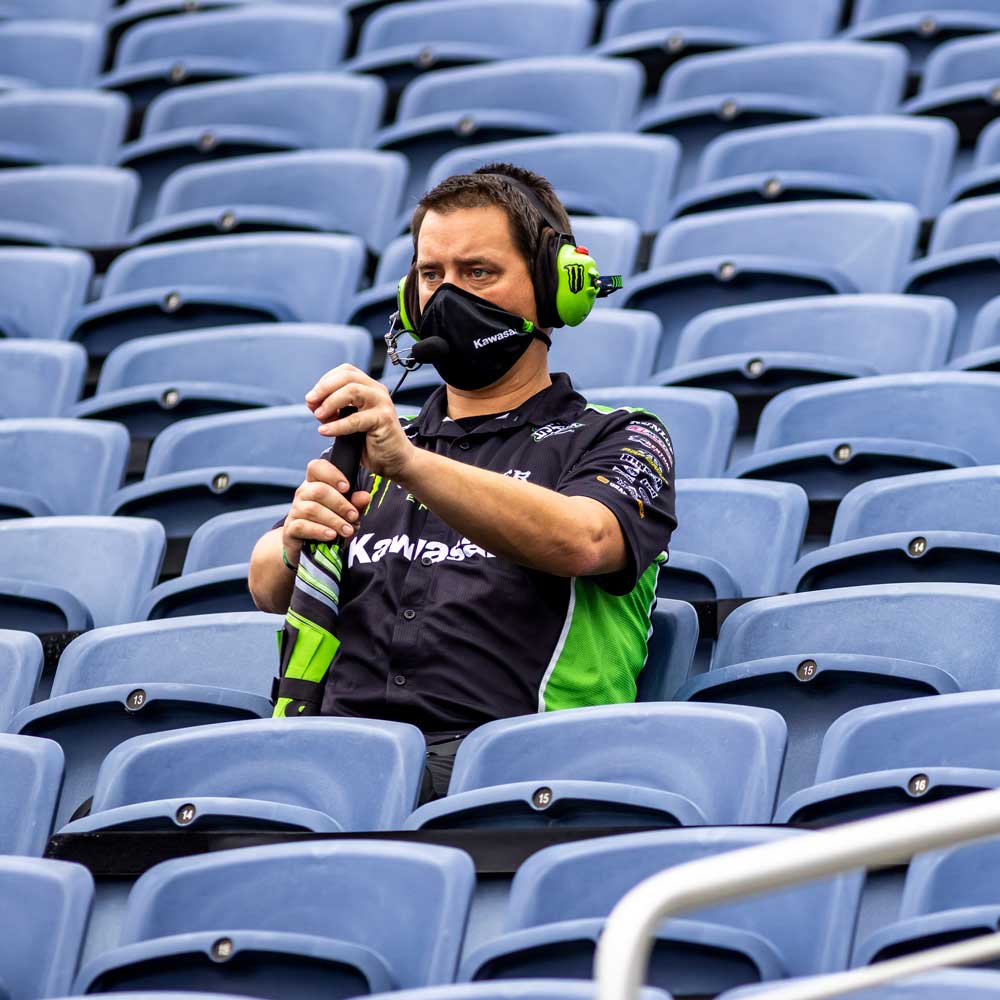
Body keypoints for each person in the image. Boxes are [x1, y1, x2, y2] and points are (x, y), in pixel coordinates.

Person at [249, 163, 677, 802]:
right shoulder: (379, 446)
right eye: (431, 275)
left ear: (558, 288)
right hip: (335, 757)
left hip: (517, 771)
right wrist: (293, 544)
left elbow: (585, 540)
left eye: (478, 272)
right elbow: (265, 583)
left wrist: (409, 466)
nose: (448, 297)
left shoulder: (622, 436)